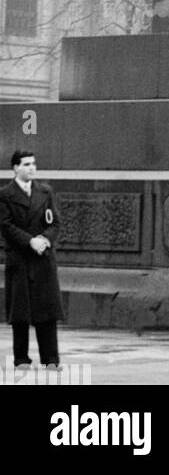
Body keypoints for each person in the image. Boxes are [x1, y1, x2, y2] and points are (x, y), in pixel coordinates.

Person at [0, 150, 63, 370]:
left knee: (47, 311)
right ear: (15, 168)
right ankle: (21, 359)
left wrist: (45, 240)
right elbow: (6, 226)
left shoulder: (45, 192)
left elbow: (55, 222)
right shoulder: (5, 194)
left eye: (33, 164)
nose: (31, 168)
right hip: (20, 259)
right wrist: (30, 242)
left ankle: (51, 359)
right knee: (21, 314)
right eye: (26, 164)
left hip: (42, 259)